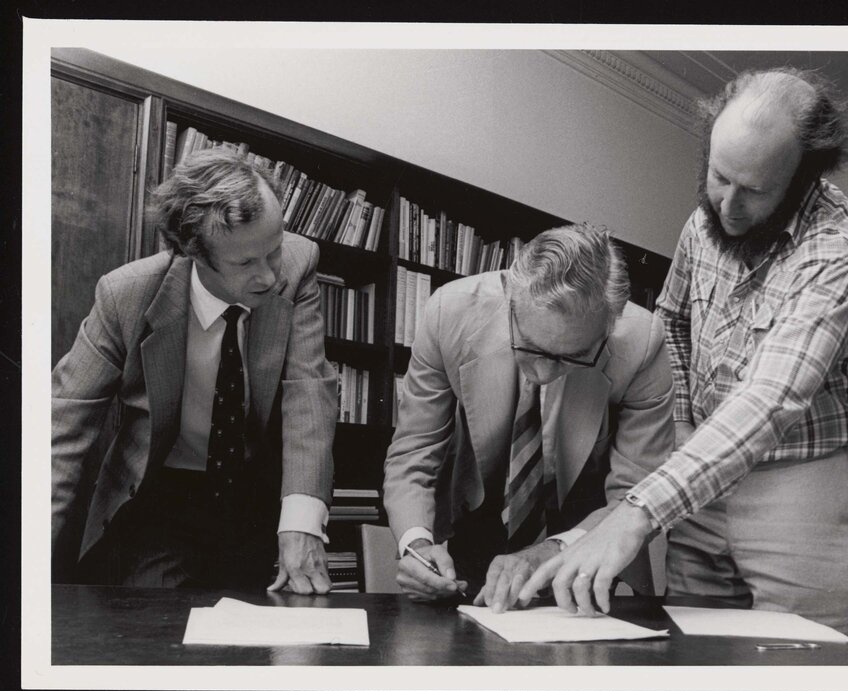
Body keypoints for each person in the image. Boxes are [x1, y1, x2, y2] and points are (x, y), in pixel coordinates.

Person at [521, 68, 848, 639]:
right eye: (719, 177)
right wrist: (686, 423)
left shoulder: (840, 252)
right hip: (704, 472)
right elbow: (674, 319)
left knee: (802, 662)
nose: (728, 207)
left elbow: (770, 400)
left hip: (809, 479)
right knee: (694, 651)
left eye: (757, 191)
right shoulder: (702, 222)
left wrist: (636, 513)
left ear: (805, 176)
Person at [51, 148, 338, 593]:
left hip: (254, 495)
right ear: (191, 252)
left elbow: (309, 391)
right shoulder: (125, 295)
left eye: (274, 251)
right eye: (245, 263)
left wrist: (301, 521)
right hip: (160, 498)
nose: (268, 277)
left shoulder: (298, 266)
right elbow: (61, 432)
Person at [382, 224, 675, 611]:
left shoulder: (642, 343)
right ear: (511, 303)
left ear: (609, 327)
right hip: (476, 523)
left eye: (571, 357)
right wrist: (416, 544)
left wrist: (548, 552)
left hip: (584, 542)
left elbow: (636, 494)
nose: (542, 372)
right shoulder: (448, 314)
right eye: (530, 347)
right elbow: (414, 452)